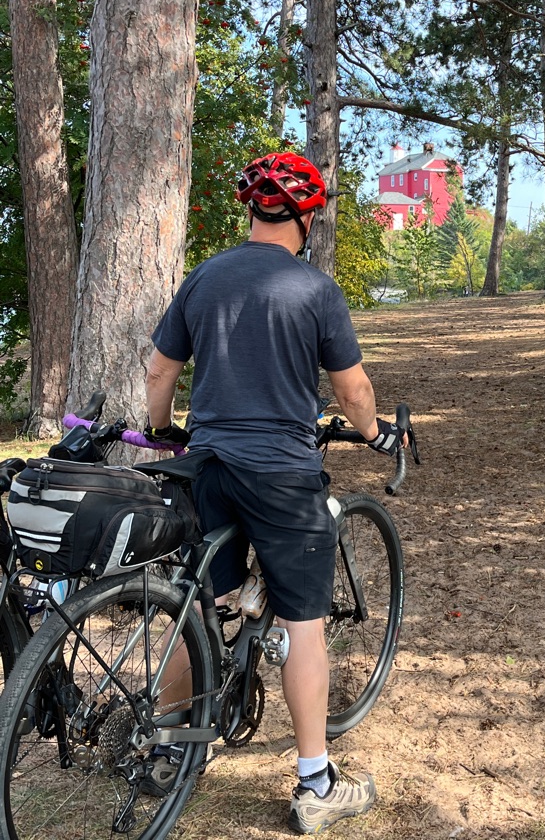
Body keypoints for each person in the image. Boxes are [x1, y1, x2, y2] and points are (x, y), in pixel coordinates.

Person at [144, 151, 405, 835]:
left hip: (207, 466)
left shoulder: (204, 278)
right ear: (306, 218)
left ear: (252, 212)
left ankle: (166, 746)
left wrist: (163, 431)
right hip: (282, 474)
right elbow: (352, 390)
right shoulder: (314, 289)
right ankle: (316, 784)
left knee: (200, 603)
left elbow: (160, 371)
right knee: (304, 625)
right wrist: (376, 434)